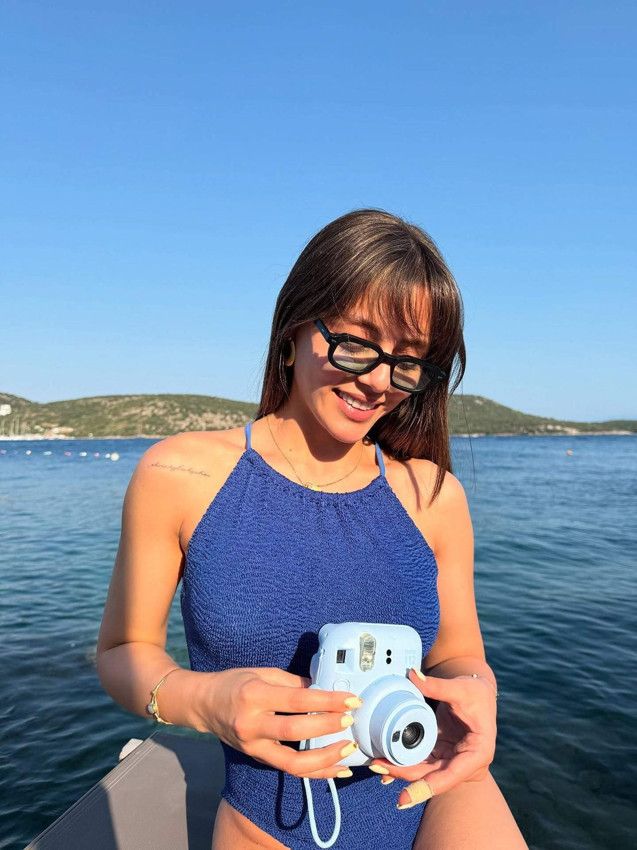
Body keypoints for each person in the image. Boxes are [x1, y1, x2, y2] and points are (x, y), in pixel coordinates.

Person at [96, 208, 529, 849]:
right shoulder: (180, 474)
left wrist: (478, 694)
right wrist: (204, 700)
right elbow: (122, 651)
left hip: (438, 790)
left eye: (407, 362)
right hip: (269, 820)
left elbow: (459, 653)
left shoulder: (434, 495)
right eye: (356, 343)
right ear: (296, 324)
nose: (378, 381)